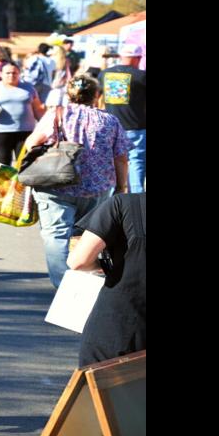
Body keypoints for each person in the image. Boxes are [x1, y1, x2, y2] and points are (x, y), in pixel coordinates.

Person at [21, 75, 129, 287]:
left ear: (68, 94)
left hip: (56, 184)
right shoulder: (109, 120)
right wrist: (121, 186)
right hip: (96, 189)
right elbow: (122, 157)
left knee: (56, 235)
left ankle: (63, 286)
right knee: (87, 236)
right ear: (97, 96)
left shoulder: (57, 115)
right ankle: (87, 281)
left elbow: (31, 143)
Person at [66, 192, 145, 367]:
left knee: (101, 390)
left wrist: (102, 265)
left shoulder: (124, 204)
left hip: (118, 326)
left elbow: (78, 261)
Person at [0, 61, 45, 170]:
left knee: (25, 162)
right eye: (8, 73)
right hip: (1, 131)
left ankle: (21, 186)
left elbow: (38, 108)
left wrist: (44, 125)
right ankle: (3, 187)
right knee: (3, 163)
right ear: (1, 74)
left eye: (14, 73)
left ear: (19, 73)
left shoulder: (28, 88)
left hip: (25, 131)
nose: (11, 75)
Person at [100, 43, 147, 194]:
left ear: (121, 56)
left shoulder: (104, 74)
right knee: (136, 163)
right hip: (136, 127)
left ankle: (112, 198)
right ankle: (137, 200)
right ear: (137, 58)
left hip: (110, 127)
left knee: (111, 162)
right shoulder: (142, 76)